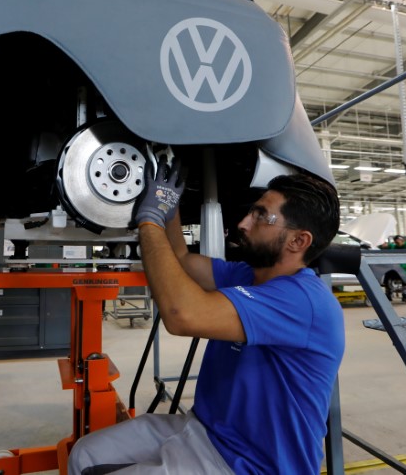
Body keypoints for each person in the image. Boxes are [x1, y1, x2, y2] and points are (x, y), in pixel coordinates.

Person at [68, 158, 345, 474]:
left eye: (260, 217)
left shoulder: (304, 302)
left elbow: (179, 315)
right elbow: (182, 259)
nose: (243, 223)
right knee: (84, 454)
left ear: (298, 241)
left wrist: (151, 219)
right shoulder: (248, 274)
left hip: (249, 465)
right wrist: (168, 207)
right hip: (204, 429)